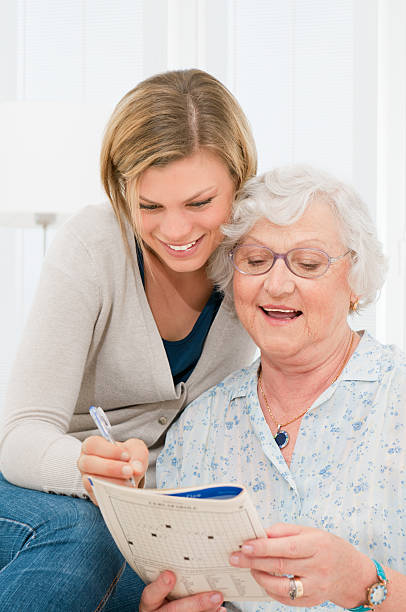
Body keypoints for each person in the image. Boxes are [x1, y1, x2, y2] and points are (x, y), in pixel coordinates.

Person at [0, 69, 258, 612]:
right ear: (122, 192)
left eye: (199, 202)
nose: (175, 230)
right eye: (149, 207)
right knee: (88, 539)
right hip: (39, 490)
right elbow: (21, 435)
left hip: (144, 513)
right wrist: (89, 471)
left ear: (240, 182)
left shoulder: (253, 265)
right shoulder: (93, 246)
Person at [155, 165, 406, 611]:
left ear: (355, 280)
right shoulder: (197, 430)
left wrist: (364, 582)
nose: (276, 284)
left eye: (308, 263)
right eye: (255, 261)